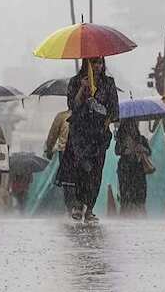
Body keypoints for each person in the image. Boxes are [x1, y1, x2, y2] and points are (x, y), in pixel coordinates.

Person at [56, 57, 119, 223]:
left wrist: (105, 123)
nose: (97, 66)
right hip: (80, 135)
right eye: (94, 63)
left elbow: (114, 110)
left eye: (100, 62)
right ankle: (78, 205)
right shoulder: (76, 81)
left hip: (99, 136)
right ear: (87, 64)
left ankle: (89, 208)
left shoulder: (108, 83)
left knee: (95, 173)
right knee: (80, 170)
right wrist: (82, 89)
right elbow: (72, 106)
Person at [115, 119, 151, 216]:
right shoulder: (121, 140)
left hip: (138, 170)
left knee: (139, 197)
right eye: (129, 126)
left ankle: (140, 215)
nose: (132, 128)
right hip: (125, 170)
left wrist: (142, 149)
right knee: (126, 198)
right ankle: (126, 215)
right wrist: (126, 150)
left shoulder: (141, 139)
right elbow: (117, 151)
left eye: (133, 125)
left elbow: (149, 151)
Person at [44, 108, 74, 214]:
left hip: (66, 153)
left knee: (67, 182)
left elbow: (52, 136)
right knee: (74, 181)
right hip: (77, 153)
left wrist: (49, 150)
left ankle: (70, 208)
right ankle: (75, 207)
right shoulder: (87, 114)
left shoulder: (62, 116)